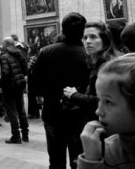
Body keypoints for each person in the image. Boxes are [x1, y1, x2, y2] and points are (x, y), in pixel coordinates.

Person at [30, 12, 90, 169]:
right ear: (83, 31)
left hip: (52, 110)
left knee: (56, 160)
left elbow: (35, 81)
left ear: (63, 29)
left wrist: (48, 94)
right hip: (79, 112)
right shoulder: (88, 55)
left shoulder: (46, 51)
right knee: (78, 158)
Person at [77, 54, 135, 168]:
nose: (98, 111)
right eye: (99, 99)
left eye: (108, 102)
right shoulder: (107, 151)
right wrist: (91, 159)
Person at [63, 21, 119, 123]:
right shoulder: (94, 63)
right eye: (85, 38)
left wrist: (74, 95)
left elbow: (103, 101)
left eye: (93, 37)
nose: (88, 41)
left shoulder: (107, 66)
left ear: (104, 41)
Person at [0, 36, 29, 144]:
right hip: (19, 85)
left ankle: (16, 136)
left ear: (6, 44)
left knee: (12, 112)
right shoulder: (20, 53)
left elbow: (5, 73)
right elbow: (25, 71)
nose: (1, 44)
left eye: (3, 42)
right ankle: (25, 135)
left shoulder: (4, 56)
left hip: (9, 87)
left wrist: (0, 84)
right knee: (21, 110)